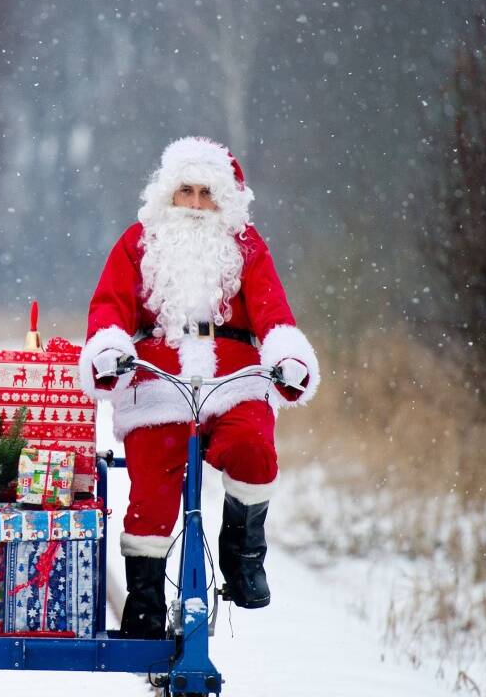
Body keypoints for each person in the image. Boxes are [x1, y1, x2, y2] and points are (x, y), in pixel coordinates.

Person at [78, 136, 319, 640]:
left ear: (224, 199)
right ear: (167, 194)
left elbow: (274, 311)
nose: (193, 204)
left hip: (235, 376)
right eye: (184, 191)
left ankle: (242, 554)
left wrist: (288, 357)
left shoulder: (247, 246)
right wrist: (108, 348)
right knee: (152, 487)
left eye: (205, 193)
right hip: (158, 377)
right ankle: (144, 602)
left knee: (254, 446)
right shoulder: (138, 241)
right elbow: (110, 306)